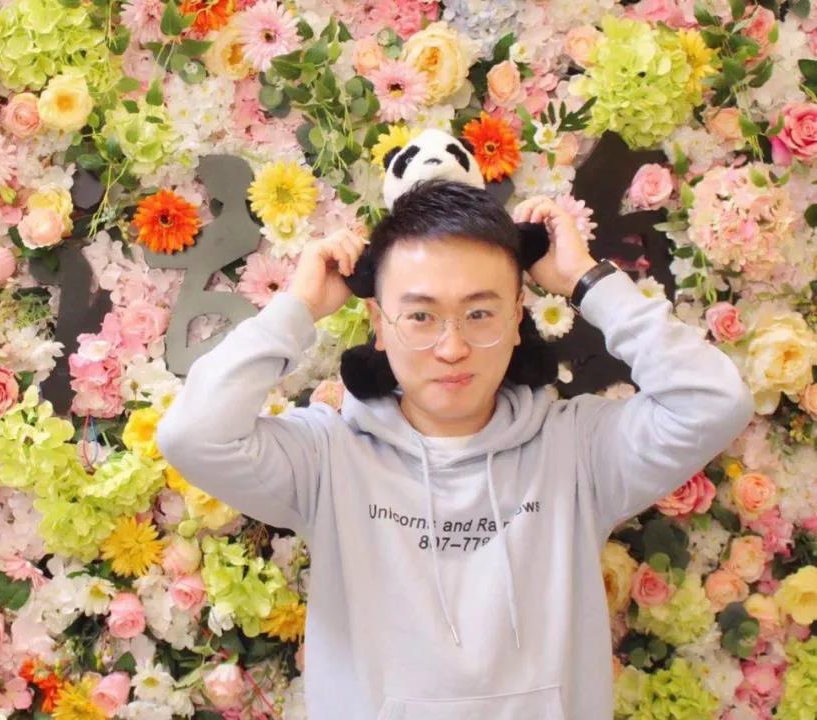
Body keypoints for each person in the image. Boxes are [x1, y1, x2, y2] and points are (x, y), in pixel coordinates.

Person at [156, 179, 755, 719]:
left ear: (517, 318)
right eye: (421, 316)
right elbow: (193, 435)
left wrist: (587, 280)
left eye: (479, 313)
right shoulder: (326, 459)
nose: (452, 348)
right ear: (379, 323)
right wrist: (298, 307)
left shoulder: (580, 452)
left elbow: (713, 401)